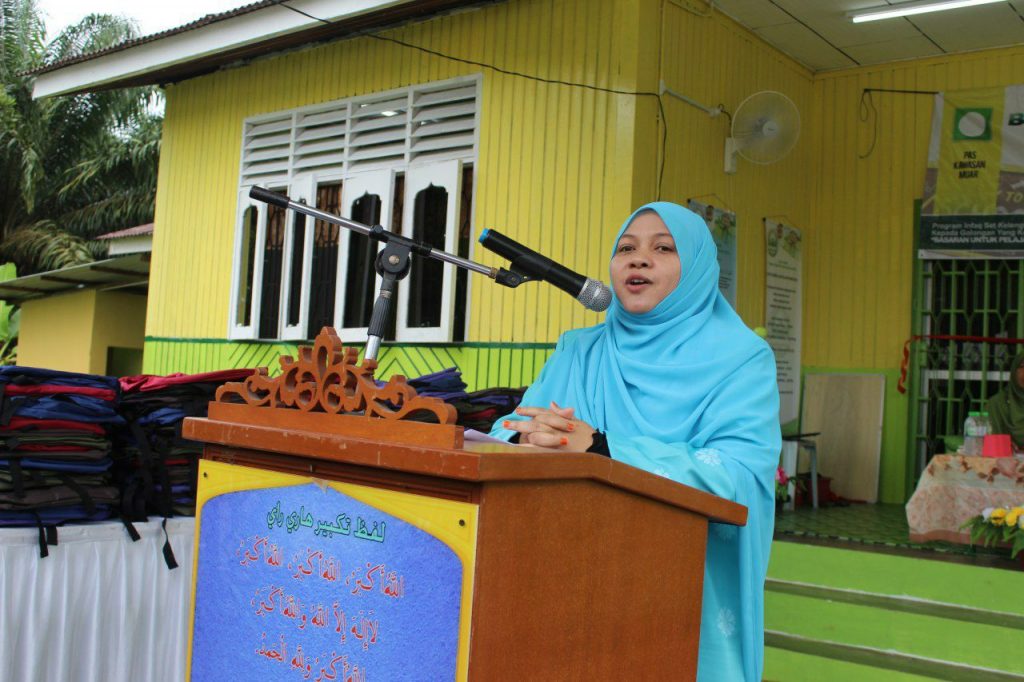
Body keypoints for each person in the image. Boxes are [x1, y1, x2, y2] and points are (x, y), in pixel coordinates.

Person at [490, 202, 781, 681]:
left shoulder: (741, 359)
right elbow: (510, 429)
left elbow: (737, 474)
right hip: (569, 578)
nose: (639, 258)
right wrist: (529, 436)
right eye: (626, 248)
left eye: (663, 248)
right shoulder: (580, 351)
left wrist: (603, 449)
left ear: (699, 269)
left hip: (675, 589)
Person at [986, 351, 1024, 453]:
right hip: (1004, 460)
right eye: (1022, 366)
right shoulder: (997, 403)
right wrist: (1002, 444)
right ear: (1014, 372)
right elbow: (989, 441)